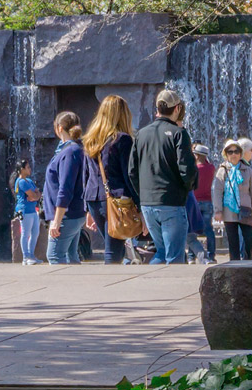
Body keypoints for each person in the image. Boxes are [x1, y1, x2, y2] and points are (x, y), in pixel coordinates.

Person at [132, 90, 199, 265]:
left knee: (160, 253)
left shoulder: (141, 134)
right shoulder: (178, 133)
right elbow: (187, 169)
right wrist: (187, 187)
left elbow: (132, 170)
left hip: (148, 204)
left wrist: (142, 195)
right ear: (177, 108)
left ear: (157, 109)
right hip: (171, 202)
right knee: (174, 256)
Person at [80, 95, 137, 263]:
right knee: (113, 251)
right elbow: (129, 175)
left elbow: (86, 175)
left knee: (114, 246)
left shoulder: (91, 140)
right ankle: (111, 285)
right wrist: (139, 205)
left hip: (93, 199)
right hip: (116, 200)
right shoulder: (122, 139)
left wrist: (87, 209)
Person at [40, 112, 89, 265]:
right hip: (72, 214)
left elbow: (65, 189)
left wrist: (56, 220)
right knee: (71, 256)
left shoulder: (70, 152)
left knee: (55, 256)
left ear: (59, 128)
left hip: (66, 216)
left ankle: (61, 288)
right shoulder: (73, 149)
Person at [215, 139, 252, 261]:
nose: (233, 154)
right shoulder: (222, 170)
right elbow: (217, 192)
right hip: (229, 210)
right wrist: (218, 211)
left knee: (250, 238)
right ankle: (235, 266)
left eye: (236, 151)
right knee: (233, 242)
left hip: (245, 209)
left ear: (240, 154)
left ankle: (248, 261)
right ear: (226, 154)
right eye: (230, 152)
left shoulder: (247, 170)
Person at [12, 158, 44, 264]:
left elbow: (38, 194)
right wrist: (34, 196)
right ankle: (25, 257)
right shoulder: (20, 182)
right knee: (25, 233)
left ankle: (31, 255)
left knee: (35, 233)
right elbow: (32, 194)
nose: (30, 169)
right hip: (24, 210)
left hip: (33, 210)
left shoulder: (29, 181)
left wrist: (35, 196)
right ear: (22, 169)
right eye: (28, 167)